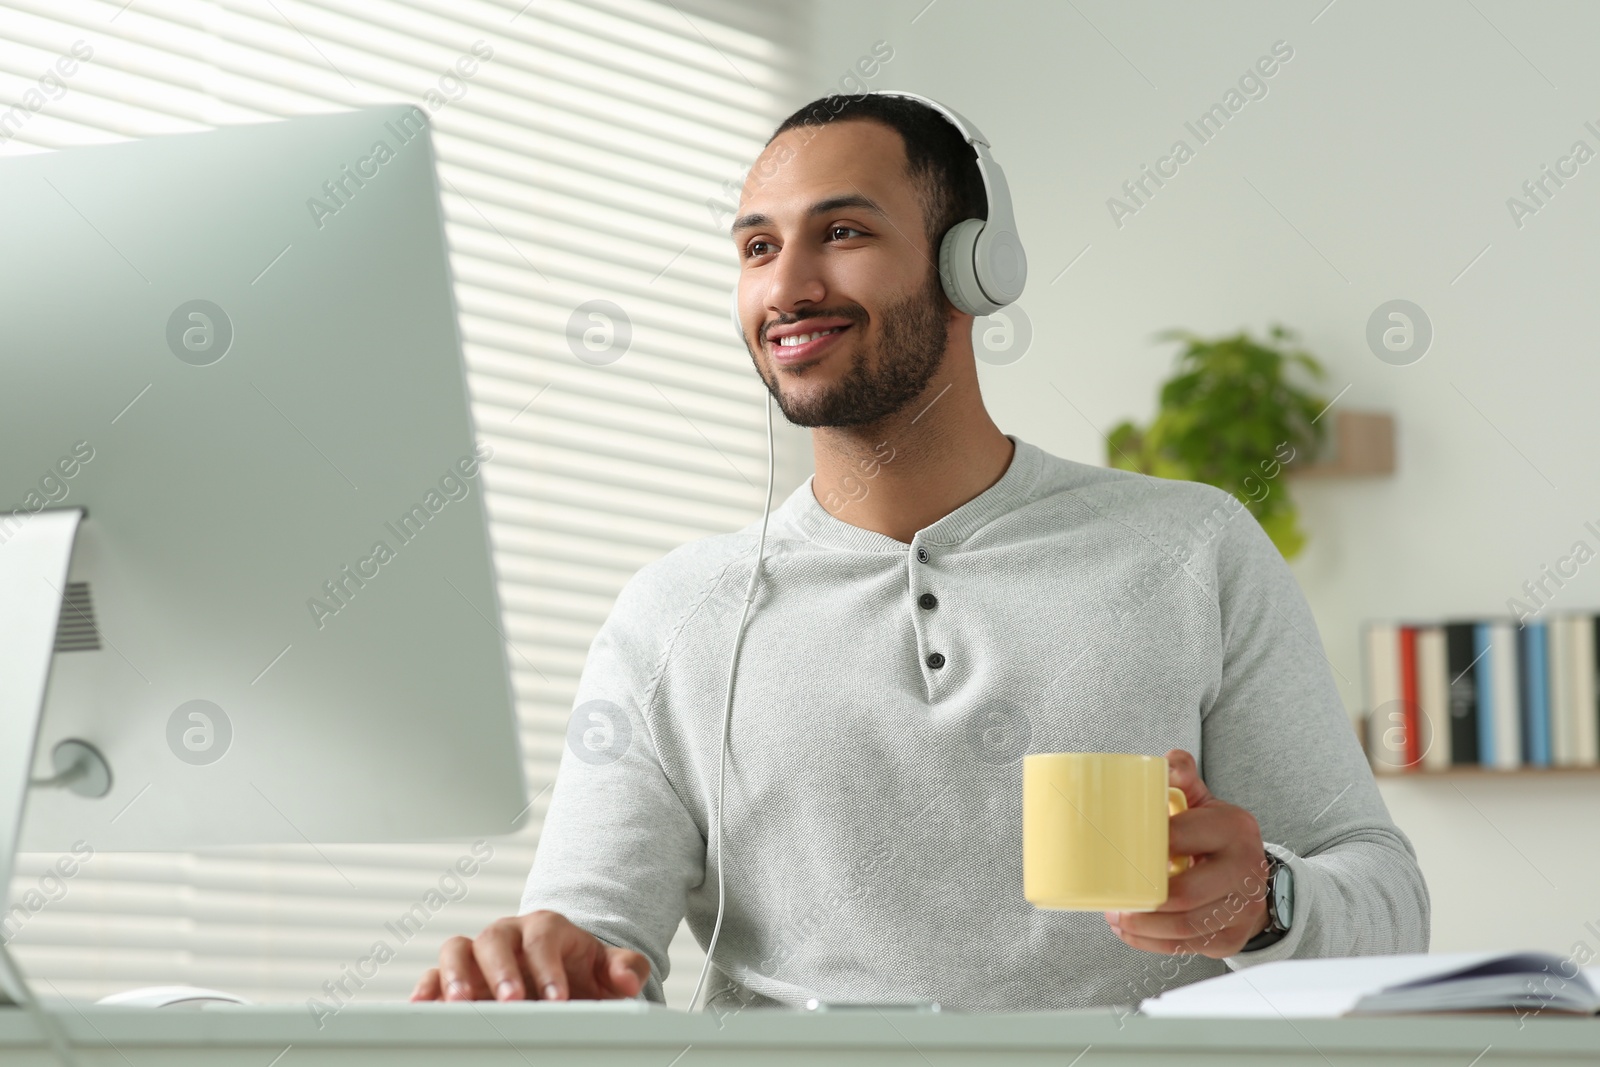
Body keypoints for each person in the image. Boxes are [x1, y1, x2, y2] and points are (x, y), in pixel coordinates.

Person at [411, 93, 1429, 1012]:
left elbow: (1385, 897)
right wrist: (541, 971)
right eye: (757, 248)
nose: (789, 286)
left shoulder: (1188, 546)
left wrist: (1268, 899)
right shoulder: (673, 609)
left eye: (842, 232)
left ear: (970, 265)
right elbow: (593, 953)